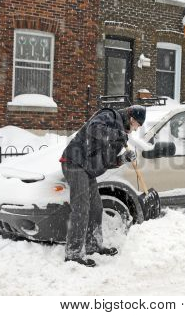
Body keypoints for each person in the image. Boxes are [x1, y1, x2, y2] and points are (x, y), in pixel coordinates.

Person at [59, 105, 146, 267]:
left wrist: (122, 159)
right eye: (137, 126)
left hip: (88, 169)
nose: (135, 130)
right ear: (132, 118)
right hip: (74, 163)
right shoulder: (110, 116)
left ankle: (93, 245)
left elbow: (107, 161)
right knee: (81, 208)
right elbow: (93, 128)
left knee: (96, 208)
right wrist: (117, 134)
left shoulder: (121, 135)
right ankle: (73, 253)